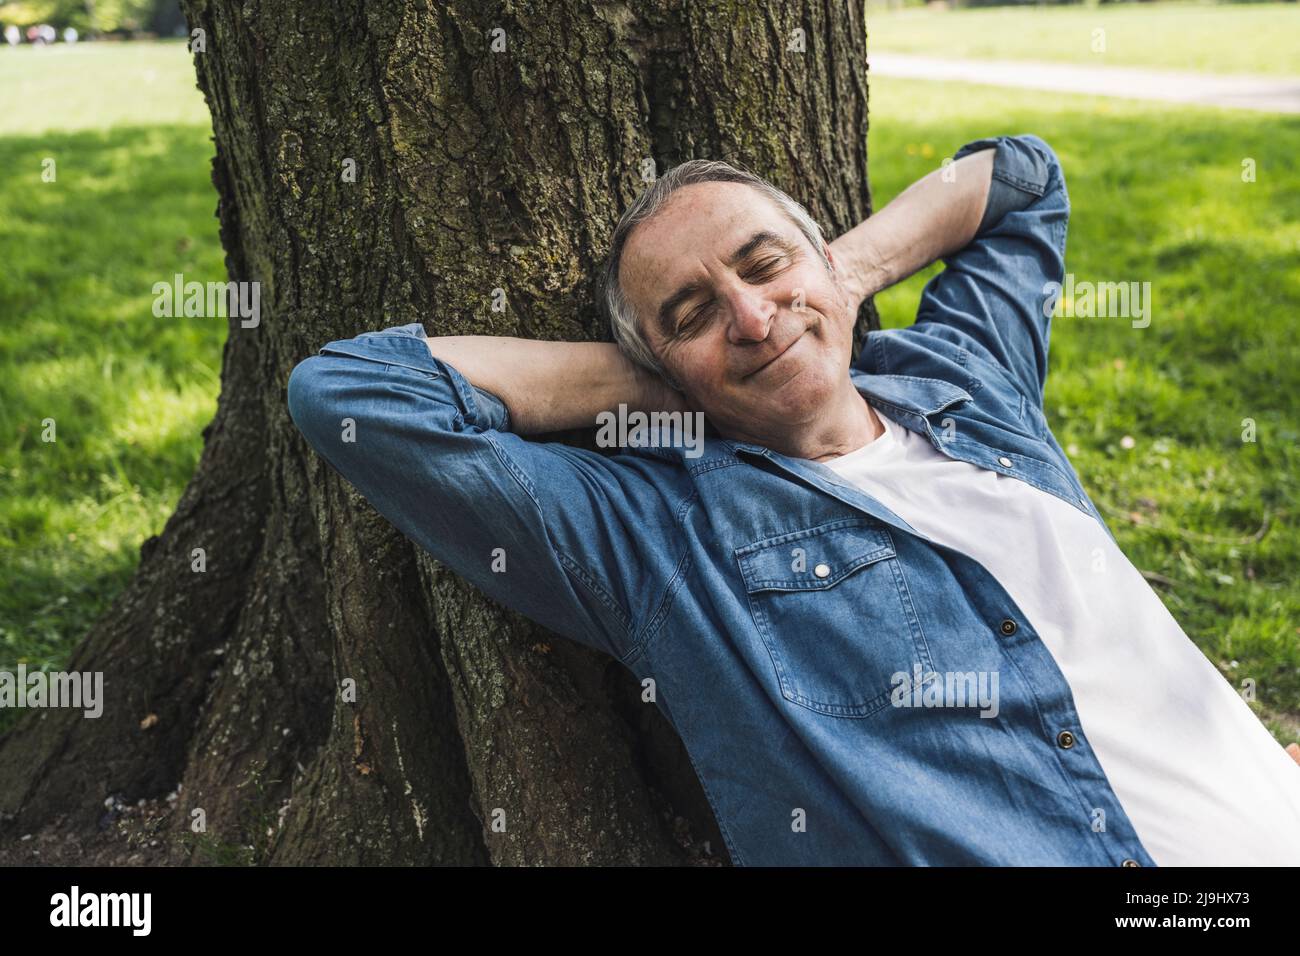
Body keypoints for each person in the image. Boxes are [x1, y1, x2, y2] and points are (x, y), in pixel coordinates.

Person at [287, 134, 1300, 865]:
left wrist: (837, 281)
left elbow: (1022, 178)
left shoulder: (967, 380)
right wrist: (675, 375)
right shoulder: (656, 537)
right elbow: (352, 395)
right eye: (690, 312)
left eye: (763, 263)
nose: (747, 311)